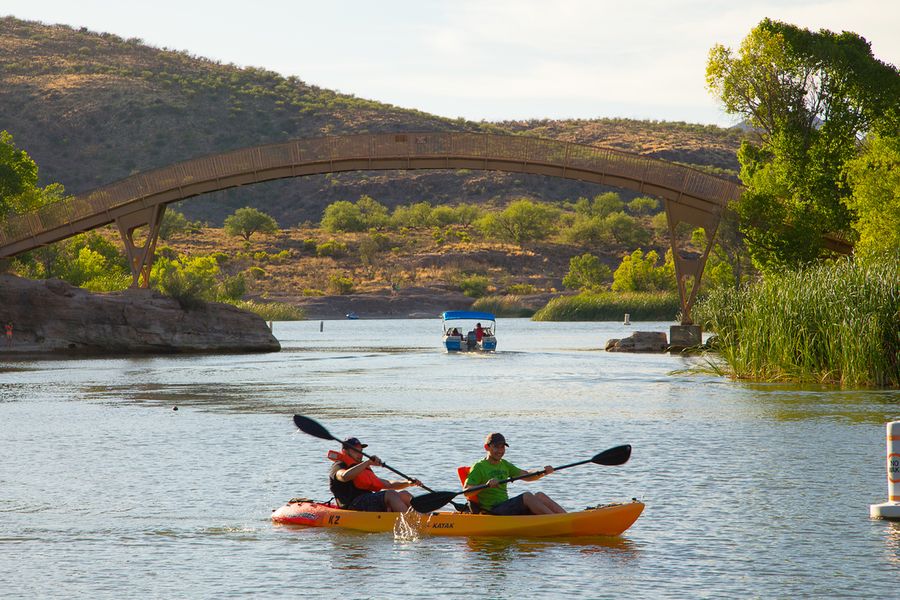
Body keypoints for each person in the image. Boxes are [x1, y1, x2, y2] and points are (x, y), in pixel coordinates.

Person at [464, 433, 566, 515]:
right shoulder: (478, 467)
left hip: (505, 506)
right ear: (487, 447)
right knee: (527, 496)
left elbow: (526, 475)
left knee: (540, 495)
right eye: (496, 447)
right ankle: (557, 521)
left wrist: (543, 472)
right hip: (493, 511)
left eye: (502, 447)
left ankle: (567, 517)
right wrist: (486, 485)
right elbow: (467, 492)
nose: (500, 451)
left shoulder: (505, 464)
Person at [328, 437, 421, 512]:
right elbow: (344, 476)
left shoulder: (362, 467)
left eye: (361, 451)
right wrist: (367, 463)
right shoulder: (339, 465)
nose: (360, 454)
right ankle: (412, 523)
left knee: (405, 494)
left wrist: (408, 483)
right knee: (390, 494)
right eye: (356, 451)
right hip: (352, 506)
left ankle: (423, 517)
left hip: (368, 502)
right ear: (345, 451)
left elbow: (388, 484)